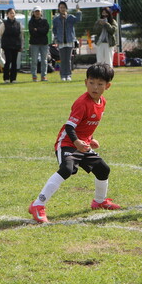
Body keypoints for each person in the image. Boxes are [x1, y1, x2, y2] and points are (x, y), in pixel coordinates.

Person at [28, 63, 120, 223]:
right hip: (67, 143)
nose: (95, 87)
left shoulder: (102, 102)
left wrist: (90, 140)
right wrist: (77, 142)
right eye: (91, 82)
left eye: (100, 84)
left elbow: (86, 125)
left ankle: (99, 201)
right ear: (86, 82)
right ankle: (38, 204)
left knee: (103, 169)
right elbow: (70, 127)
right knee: (67, 169)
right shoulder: (82, 103)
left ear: (108, 86)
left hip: (82, 143)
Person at [53, 1, 82, 81]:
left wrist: (78, 11)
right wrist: (56, 38)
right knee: (62, 59)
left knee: (68, 59)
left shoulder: (70, 17)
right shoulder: (56, 19)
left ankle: (68, 75)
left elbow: (78, 20)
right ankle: (63, 75)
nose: (62, 9)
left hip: (69, 41)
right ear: (59, 9)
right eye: (61, 7)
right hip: (61, 42)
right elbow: (54, 30)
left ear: (66, 8)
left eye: (63, 7)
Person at [0, 7, 23, 83]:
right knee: (8, 61)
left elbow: (21, 35)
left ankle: (13, 78)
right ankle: (6, 78)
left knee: (14, 62)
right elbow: (0, 34)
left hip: (15, 45)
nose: (12, 14)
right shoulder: (4, 23)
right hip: (7, 46)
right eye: (10, 13)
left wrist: (20, 45)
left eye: (13, 13)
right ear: (7, 15)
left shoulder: (18, 24)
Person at [28, 6, 50, 81]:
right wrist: (40, 31)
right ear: (33, 13)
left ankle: (43, 76)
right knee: (34, 61)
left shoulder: (45, 21)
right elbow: (32, 32)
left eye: (38, 11)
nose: (37, 13)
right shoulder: (31, 22)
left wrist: (37, 29)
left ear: (41, 12)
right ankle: (34, 76)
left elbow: (46, 31)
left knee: (44, 61)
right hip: (34, 43)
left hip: (44, 43)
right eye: (36, 11)